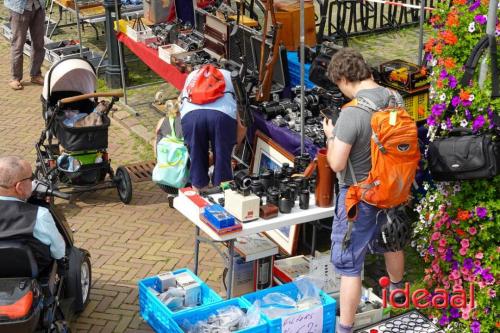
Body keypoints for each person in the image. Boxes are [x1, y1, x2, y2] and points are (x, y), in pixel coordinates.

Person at [322, 48, 405, 333]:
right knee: (391, 240)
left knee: (349, 264)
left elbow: (336, 163)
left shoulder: (352, 113)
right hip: (394, 188)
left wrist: (332, 136)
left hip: (360, 196)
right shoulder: (396, 99)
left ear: (345, 78)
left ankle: (345, 327)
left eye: (339, 86)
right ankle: (396, 301)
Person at [179, 65, 246, 191]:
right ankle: (223, 198)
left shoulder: (192, 75)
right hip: (222, 116)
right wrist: (232, 148)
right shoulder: (232, 77)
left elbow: (181, 101)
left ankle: (199, 195)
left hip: (191, 117)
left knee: (197, 163)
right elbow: (243, 124)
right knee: (223, 166)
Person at [0, 156, 65, 273]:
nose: (34, 181)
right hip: (30, 272)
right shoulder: (39, 215)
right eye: (31, 178)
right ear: (19, 187)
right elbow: (59, 251)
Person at [4, 0, 45, 90]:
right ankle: (15, 78)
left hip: (38, 6)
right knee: (18, 44)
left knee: (39, 43)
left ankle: (36, 75)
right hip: (19, 7)